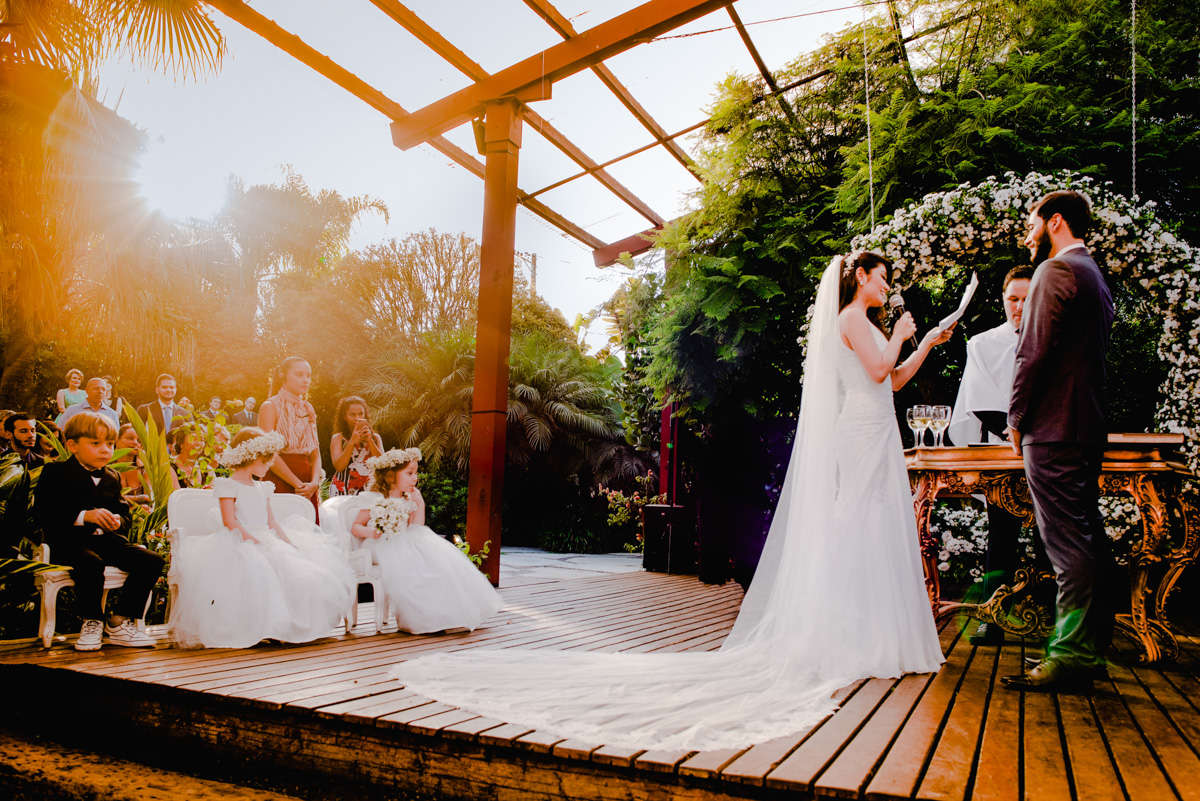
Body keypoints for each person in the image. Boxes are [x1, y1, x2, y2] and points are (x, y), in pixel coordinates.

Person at [390, 252, 954, 751]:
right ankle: (855, 636)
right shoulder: (853, 318)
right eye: (883, 279)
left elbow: (893, 381)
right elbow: (882, 367)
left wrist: (924, 342)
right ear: (860, 278)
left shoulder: (868, 321)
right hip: (861, 434)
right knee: (860, 523)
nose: (887, 288)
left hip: (879, 428)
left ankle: (880, 634)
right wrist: (904, 333)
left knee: (877, 527)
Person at [1002, 190, 1115, 693]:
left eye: (1033, 224)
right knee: (1087, 537)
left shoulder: (1055, 271)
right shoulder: (1094, 275)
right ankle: (1089, 651)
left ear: (1056, 221)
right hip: (1085, 426)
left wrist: (1016, 417)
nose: (1027, 235)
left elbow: (1032, 353)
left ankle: (1069, 655)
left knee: (1066, 544)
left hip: (1052, 430)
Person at [169, 428, 354, 648]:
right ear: (251, 457)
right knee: (259, 572)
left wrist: (288, 542)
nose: (268, 466)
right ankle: (261, 626)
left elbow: (272, 521)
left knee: (299, 571)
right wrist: (253, 540)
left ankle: (286, 626)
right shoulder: (228, 485)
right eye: (265, 461)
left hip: (265, 537)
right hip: (238, 539)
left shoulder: (262, 487)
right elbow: (230, 521)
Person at [947, 266, 1043, 646]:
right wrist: (1013, 431)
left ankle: (1048, 613)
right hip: (1002, 450)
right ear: (1003, 300)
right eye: (1013, 299)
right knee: (1001, 533)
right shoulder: (982, 343)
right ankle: (993, 615)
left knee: (1049, 535)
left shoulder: (1054, 339)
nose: (1019, 307)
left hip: (1045, 447)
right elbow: (978, 397)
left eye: (1027, 299)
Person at [33, 412, 162, 651]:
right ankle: (92, 621)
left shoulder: (112, 477)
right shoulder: (55, 473)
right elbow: (44, 513)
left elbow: (124, 514)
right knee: (91, 564)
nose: (105, 450)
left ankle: (118, 622)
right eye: (96, 443)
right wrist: (84, 516)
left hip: (106, 540)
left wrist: (117, 521)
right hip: (68, 542)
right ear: (72, 445)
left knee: (151, 560)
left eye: (110, 444)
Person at [344, 448, 500, 633]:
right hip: (381, 542)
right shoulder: (374, 499)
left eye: (415, 473)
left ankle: (445, 614)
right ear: (389, 476)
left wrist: (420, 504)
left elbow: (417, 526)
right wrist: (372, 532)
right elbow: (356, 527)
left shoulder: (410, 497)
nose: (414, 478)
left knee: (436, 560)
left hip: (406, 538)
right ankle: (421, 617)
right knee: (413, 562)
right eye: (409, 473)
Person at [258, 357, 322, 517]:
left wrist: (314, 483)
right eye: (299, 375)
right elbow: (269, 454)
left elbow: (315, 452)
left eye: (308, 375)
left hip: (308, 485)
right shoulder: (270, 406)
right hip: (279, 481)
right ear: (283, 375)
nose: (305, 380)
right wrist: (298, 485)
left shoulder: (309, 408)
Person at [329, 396, 383, 496]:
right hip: (342, 490)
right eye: (352, 415)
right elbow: (339, 466)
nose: (357, 418)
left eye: (361, 414)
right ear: (344, 417)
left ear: (365, 414)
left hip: (369, 491)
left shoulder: (375, 438)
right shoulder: (338, 438)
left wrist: (370, 440)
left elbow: (382, 464)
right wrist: (352, 442)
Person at [114, 423, 151, 507]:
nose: (135, 443)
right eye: (130, 438)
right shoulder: (107, 467)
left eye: (138, 440)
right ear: (117, 440)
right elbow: (107, 499)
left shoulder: (143, 469)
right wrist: (140, 499)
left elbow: (150, 497)